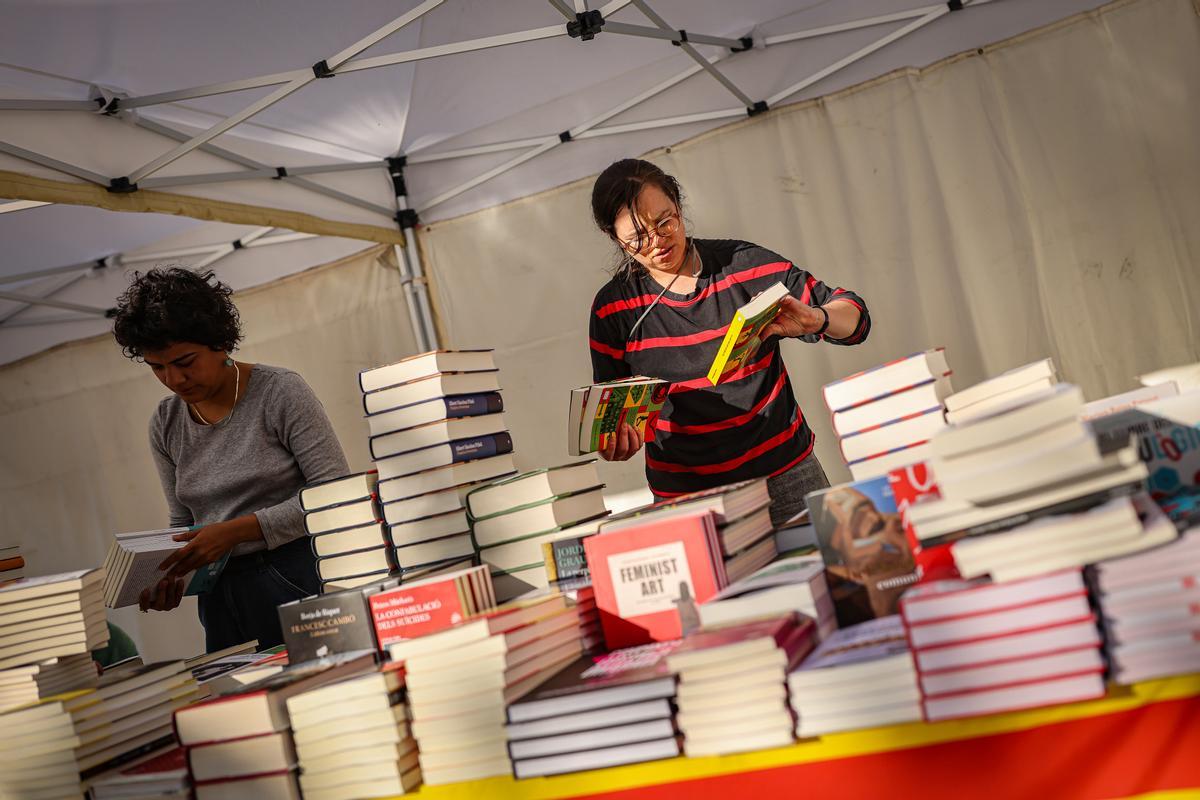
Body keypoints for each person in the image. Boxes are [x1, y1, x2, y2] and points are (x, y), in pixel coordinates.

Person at [588, 159, 872, 526]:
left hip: (786, 477)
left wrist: (818, 318)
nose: (657, 242)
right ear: (616, 240)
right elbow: (613, 412)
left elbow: (856, 318)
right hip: (687, 500)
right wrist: (618, 441)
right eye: (637, 239)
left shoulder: (743, 265)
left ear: (678, 204)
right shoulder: (614, 309)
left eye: (665, 221)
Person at [111, 267, 349, 652]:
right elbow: (182, 524)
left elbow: (335, 494)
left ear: (221, 342)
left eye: (185, 362)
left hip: (298, 577)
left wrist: (236, 531)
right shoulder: (165, 421)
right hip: (219, 596)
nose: (174, 379)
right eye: (158, 367)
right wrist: (172, 574)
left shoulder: (281, 392)